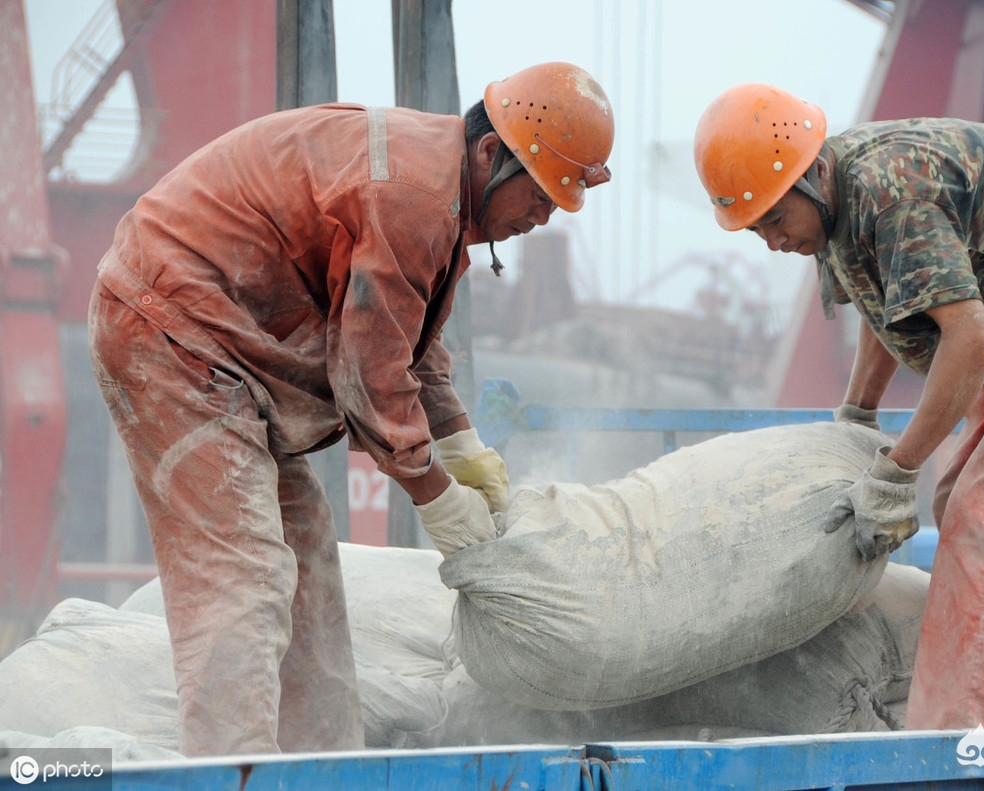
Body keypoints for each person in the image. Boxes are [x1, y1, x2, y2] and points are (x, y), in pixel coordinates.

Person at [87, 61, 614, 757]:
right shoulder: (414, 196)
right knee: (243, 576)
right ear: (491, 154)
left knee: (308, 573)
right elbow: (367, 375)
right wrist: (435, 494)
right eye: (543, 197)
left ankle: (322, 767)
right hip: (172, 333)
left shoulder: (440, 193)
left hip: (233, 360)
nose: (541, 219)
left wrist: (461, 445)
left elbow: (409, 345)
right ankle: (224, 771)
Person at [693, 83, 984, 730]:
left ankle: (958, 753)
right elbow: (888, 304)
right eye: (756, 229)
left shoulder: (892, 192)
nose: (771, 240)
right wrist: (857, 413)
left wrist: (896, 470)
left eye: (775, 219)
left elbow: (970, 338)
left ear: (815, 172)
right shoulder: (832, 207)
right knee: (977, 514)